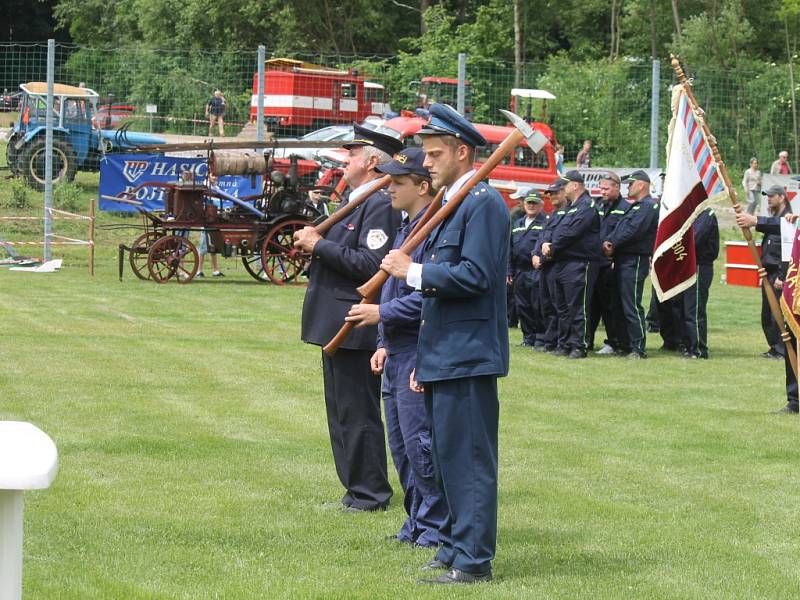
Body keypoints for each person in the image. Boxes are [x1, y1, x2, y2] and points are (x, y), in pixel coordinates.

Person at [380, 102, 509, 584]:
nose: (426, 163)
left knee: (469, 460)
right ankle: (454, 546)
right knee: (447, 459)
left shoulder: (483, 203)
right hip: (442, 352)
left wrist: (411, 272)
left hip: (469, 354)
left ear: (462, 152)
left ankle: (474, 560)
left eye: (434, 154)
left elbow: (476, 275)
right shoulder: (451, 204)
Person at [293, 124, 403, 512]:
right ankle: (355, 489)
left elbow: (373, 266)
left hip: (354, 322)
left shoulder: (379, 205)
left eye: (353, 154)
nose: (346, 160)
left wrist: (319, 244)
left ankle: (370, 492)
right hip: (333, 319)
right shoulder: (356, 200)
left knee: (357, 412)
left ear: (374, 161)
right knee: (341, 412)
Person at [344, 147, 446, 548]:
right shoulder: (407, 228)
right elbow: (394, 284)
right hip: (397, 348)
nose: (389, 188)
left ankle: (435, 527)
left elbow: (427, 295)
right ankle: (416, 522)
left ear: (422, 186)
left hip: (418, 348)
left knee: (421, 444)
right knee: (401, 447)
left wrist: (381, 315)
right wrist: (384, 342)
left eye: (399, 182)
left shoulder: (429, 230)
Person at [542, 170, 602, 359]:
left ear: (575, 185)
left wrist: (552, 246)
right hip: (563, 262)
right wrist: (547, 242)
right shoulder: (569, 207)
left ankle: (579, 345)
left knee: (577, 306)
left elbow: (570, 232)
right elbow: (555, 228)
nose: (562, 189)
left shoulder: (587, 206)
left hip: (579, 262)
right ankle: (566, 343)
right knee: (563, 307)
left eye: (565, 185)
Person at [603, 170, 659, 359]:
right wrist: (610, 241)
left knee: (631, 304)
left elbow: (633, 231)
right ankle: (625, 344)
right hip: (622, 259)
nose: (629, 187)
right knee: (619, 304)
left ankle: (638, 347)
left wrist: (612, 243)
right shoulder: (636, 206)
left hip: (634, 260)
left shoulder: (648, 206)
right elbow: (621, 227)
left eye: (631, 184)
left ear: (642, 185)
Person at [735, 184, 792, 359]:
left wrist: (755, 221)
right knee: (767, 315)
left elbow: (788, 252)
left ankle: (782, 350)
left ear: (782, 197)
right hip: (768, 274)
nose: (768, 199)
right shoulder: (775, 219)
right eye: (767, 196)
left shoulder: (789, 220)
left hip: (780, 275)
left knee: (778, 316)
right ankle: (774, 347)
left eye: (772, 196)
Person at [590, 172, 627, 354]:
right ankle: (587, 340)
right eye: (601, 188)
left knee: (609, 305)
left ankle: (613, 342)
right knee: (592, 304)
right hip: (595, 262)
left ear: (617, 188)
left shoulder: (625, 208)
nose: (602, 192)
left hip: (611, 263)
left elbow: (623, 234)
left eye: (606, 188)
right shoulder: (596, 205)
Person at [532, 181, 568, 352]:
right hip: (544, 266)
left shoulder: (567, 213)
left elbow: (558, 239)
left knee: (557, 306)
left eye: (556, 193)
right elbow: (542, 237)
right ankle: (549, 340)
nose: (553, 197)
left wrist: (543, 257)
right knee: (546, 305)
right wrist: (534, 254)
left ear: (564, 192)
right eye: (550, 194)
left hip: (556, 264)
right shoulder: (551, 215)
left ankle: (559, 342)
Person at [509, 189, 546, 347]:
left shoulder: (545, 223)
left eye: (534, 203)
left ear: (541, 205)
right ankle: (528, 337)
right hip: (519, 271)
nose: (531, 205)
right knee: (522, 305)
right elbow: (510, 249)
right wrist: (509, 271)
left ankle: (540, 337)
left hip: (537, 270)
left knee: (537, 304)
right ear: (523, 204)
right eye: (528, 202)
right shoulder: (517, 224)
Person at [680, 207, 719, 359]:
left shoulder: (705, 214)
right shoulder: (689, 213)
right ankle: (688, 345)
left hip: (699, 265)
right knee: (686, 308)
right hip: (687, 264)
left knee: (694, 309)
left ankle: (699, 349)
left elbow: (695, 238)